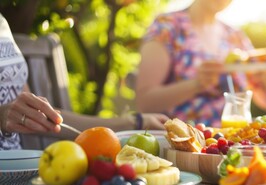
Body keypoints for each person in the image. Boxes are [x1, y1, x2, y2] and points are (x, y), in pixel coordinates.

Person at [0, 13, 169, 150]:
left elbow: (35, 116)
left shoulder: (2, 23)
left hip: (15, 175)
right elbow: (6, 114)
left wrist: (137, 122)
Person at [135, 0, 266, 127]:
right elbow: (145, 103)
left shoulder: (235, 37)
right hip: (182, 145)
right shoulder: (167, 27)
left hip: (233, 142)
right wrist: (197, 84)